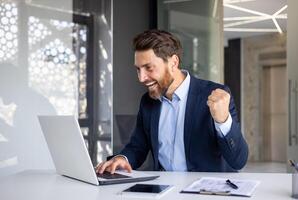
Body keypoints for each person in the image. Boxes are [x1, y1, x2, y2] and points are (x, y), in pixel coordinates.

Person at [96, 29, 248, 174]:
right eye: (138, 69)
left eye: (148, 68)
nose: (141, 78)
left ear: (173, 62)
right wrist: (122, 159)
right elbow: (138, 146)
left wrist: (223, 121)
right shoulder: (148, 102)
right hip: (164, 189)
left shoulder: (215, 96)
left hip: (206, 191)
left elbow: (238, 161)